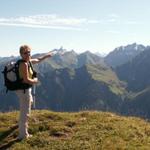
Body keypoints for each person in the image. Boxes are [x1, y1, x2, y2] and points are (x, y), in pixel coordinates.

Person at [15, 45, 51, 140]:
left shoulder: (29, 62)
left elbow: (38, 59)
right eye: (25, 53)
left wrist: (46, 56)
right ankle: (23, 135)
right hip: (23, 90)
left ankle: (20, 124)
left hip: (26, 90)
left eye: (29, 52)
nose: (28, 54)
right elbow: (26, 80)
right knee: (25, 112)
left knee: (28, 103)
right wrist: (35, 81)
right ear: (21, 54)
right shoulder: (24, 64)